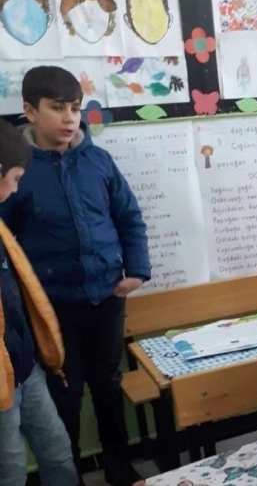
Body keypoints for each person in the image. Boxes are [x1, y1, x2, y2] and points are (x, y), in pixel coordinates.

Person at [0, 66, 151, 486]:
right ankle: (72, 476)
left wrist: (136, 271)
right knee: (64, 394)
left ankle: (120, 467)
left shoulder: (98, 160)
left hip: (106, 296)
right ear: (29, 111)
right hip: (52, 308)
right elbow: (6, 241)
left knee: (108, 385)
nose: (69, 118)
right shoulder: (18, 170)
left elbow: (128, 217)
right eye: (57, 108)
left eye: (75, 108)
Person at [0, 118, 78, 485]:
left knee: (58, 450)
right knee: (10, 467)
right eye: (14, 179)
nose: (16, 190)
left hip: (25, 367)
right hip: (1, 381)